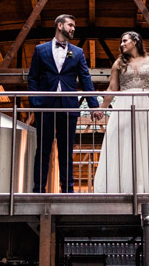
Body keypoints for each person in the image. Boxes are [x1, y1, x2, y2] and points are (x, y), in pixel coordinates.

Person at [93, 31, 149, 193]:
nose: (121, 44)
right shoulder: (119, 63)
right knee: (125, 140)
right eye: (121, 41)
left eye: (125, 41)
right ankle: (124, 186)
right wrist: (102, 108)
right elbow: (112, 88)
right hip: (125, 103)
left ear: (135, 41)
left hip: (147, 104)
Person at [27, 14, 102, 193]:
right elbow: (33, 78)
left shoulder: (77, 52)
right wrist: (35, 102)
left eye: (74, 26)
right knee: (43, 149)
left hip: (68, 106)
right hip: (45, 106)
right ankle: (38, 190)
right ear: (59, 26)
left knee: (66, 150)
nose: (73, 29)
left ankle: (67, 190)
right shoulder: (40, 49)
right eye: (70, 25)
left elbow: (85, 79)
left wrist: (93, 105)